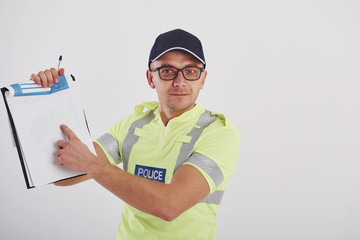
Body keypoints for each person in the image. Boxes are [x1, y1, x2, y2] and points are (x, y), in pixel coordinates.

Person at [30, 29, 241, 240]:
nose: (180, 81)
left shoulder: (219, 133)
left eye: (191, 71)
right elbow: (62, 175)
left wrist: (91, 164)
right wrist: (48, 101)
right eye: (167, 71)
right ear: (151, 78)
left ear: (202, 79)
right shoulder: (131, 126)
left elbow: (170, 206)